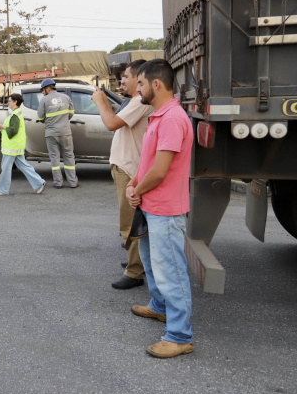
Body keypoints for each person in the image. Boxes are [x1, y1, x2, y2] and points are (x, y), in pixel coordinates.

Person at [126, 59, 195, 359]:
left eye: (140, 83)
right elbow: (148, 163)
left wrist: (136, 191)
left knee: (171, 272)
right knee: (152, 263)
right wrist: (134, 183)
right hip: (150, 205)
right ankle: (160, 307)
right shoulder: (159, 115)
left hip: (165, 210)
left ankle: (180, 336)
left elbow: (160, 171)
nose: (136, 88)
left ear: (156, 85)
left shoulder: (172, 119)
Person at [92, 59, 153, 290]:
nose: (122, 81)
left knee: (131, 223)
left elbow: (111, 123)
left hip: (131, 170)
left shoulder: (140, 102)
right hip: (125, 167)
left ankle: (135, 271)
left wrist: (100, 101)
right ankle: (135, 261)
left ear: (139, 79)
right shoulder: (134, 101)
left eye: (126, 76)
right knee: (128, 221)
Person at [0, 93, 47, 196]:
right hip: (17, 146)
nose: (8, 102)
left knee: (6, 169)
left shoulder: (15, 116)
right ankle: (39, 183)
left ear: (15, 102)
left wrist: (1, 127)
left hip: (11, 147)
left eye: (9, 100)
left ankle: (1, 189)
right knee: (24, 166)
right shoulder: (17, 114)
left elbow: (13, 131)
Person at [37, 78, 78, 188]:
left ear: (48, 88)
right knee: (69, 156)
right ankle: (73, 182)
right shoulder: (66, 98)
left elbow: (40, 117)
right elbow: (71, 114)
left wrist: (48, 120)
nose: (42, 92)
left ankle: (58, 183)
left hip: (51, 133)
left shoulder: (44, 100)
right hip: (65, 132)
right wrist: (62, 120)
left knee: (54, 158)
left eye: (43, 90)